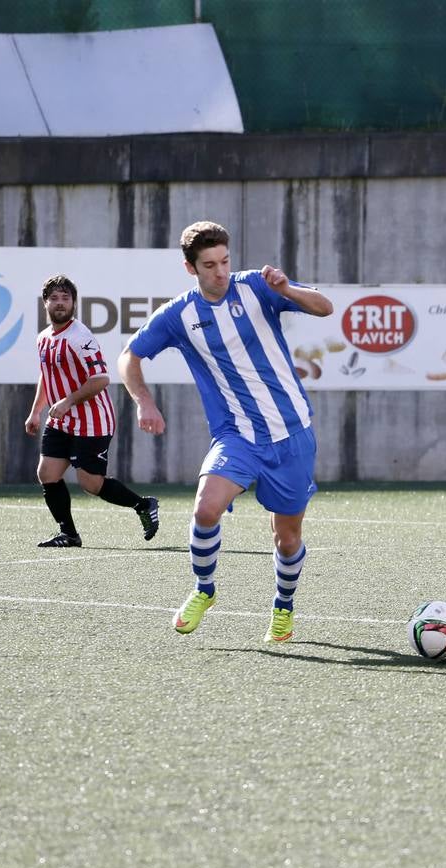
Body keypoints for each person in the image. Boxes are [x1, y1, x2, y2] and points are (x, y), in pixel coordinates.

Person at [118, 221, 333, 642]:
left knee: (287, 538)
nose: (221, 272)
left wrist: (287, 289)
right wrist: (143, 399)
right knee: (204, 509)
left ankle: (283, 608)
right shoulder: (179, 315)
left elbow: (324, 307)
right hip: (236, 436)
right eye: (209, 265)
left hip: (292, 436)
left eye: (225, 261)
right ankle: (204, 589)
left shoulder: (257, 286)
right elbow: (129, 356)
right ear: (190, 268)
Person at [25, 274, 159, 548]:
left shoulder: (80, 336)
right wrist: (36, 411)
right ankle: (69, 534)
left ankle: (143, 504)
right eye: (54, 298)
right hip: (61, 421)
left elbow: (101, 379)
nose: (60, 303)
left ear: (74, 303)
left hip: (92, 422)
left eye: (65, 298)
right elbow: (47, 375)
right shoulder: (43, 338)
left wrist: (67, 402)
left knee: (91, 484)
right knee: (47, 473)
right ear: (45, 304)